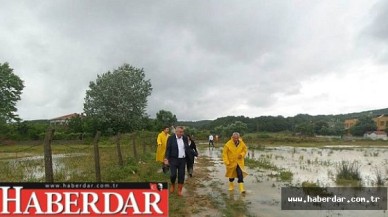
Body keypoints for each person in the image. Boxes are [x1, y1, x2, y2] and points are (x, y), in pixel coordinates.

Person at [164, 126, 191, 196]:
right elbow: (168, 149)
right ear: (176, 132)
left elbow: (187, 148)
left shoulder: (184, 138)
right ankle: (173, 185)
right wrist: (166, 158)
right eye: (180, 132)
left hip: (182, 160)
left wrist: (193, 154)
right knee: (173, 175)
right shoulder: (170, 138)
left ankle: (179, 190)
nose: (182, 133)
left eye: (182, 132)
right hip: (173, 159)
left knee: (181, 175)